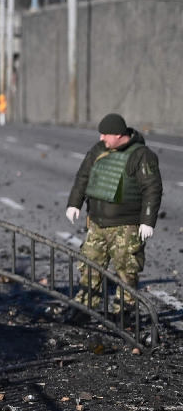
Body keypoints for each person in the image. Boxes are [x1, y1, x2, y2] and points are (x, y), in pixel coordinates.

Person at [66, 113, 161, 314]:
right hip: (97, 224)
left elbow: (152, 189)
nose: (101, 138)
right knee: (89, 267)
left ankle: (124, 314)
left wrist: (147, 221)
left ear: (118, 135)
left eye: (105, 134)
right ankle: (84, 309)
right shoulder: (98, 151)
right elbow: (83, 177)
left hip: (126, 226)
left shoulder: (141, 155)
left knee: (126, 271)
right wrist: (74, 204)